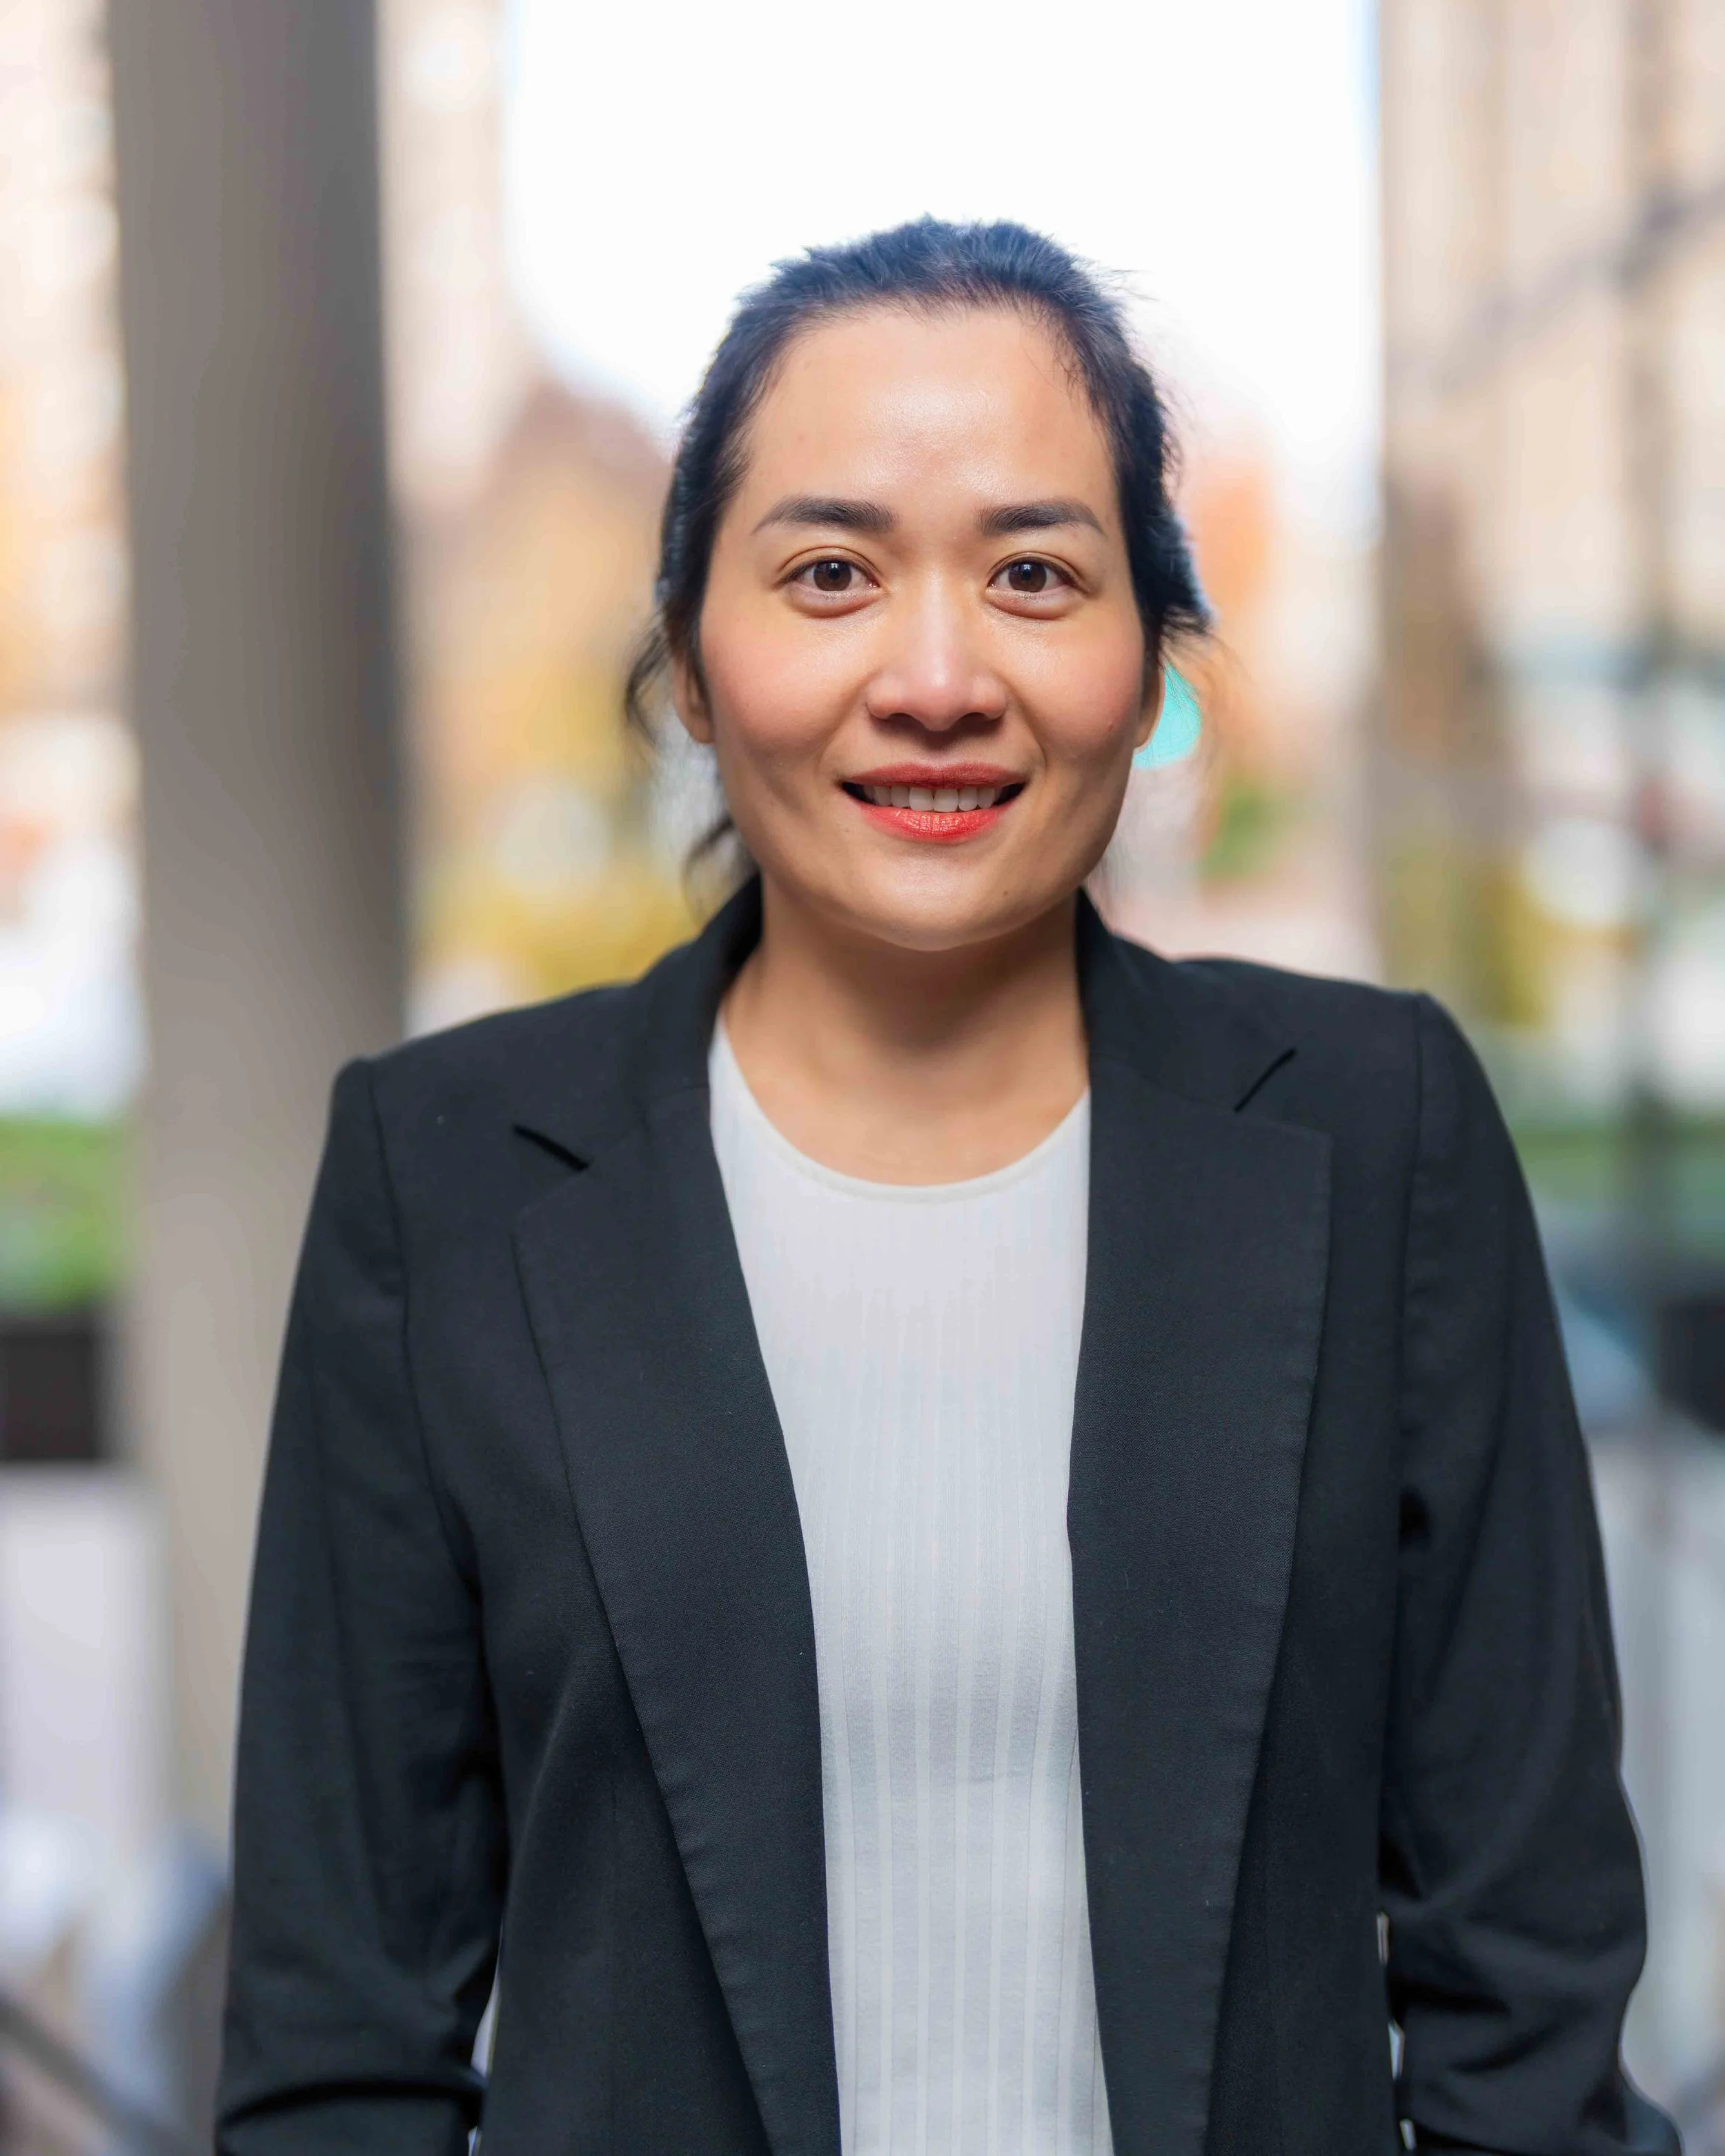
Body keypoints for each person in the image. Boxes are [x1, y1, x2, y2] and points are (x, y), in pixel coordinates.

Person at [216, 220, 1677, 2156]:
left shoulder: (1379, 1134)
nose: (933, 677)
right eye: (829, 572)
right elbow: (340, 2047)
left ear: (1147, 662)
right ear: (692, 662)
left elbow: (1527, 1996)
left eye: (1033, 574)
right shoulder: (447, 1178)